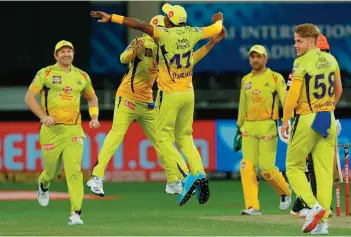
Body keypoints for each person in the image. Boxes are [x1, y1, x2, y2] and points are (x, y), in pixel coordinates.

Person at [90, 3, 224, 206]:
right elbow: (123, 58)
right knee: (120, 134)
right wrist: (134, 51)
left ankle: (175, 181)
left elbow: (144, 27)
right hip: (128, 97)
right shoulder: (144, 42)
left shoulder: (163, 43)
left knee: (163, 142)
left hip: (151, 101)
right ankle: (97, 177)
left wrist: (114, 18)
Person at [24, 40, 100, 225]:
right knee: (52, 170)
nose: (66, 54)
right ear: (56, 55)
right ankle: (44, 185)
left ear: (73, 53)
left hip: (74, 130)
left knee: (74, 171)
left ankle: (76, 214)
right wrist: (43, 116)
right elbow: (29, 98)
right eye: (62, 52)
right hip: (51, 131)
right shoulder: (46, 73)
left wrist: (94, 117)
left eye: (69, 51)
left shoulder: (82, 76)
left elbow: (92, 98)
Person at [281, 24, 341, 234]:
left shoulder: (301, 62)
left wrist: (285, 119)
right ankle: (322, 224)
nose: (295, 45)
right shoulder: (332, 60)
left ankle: (312, 206)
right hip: (328, 118)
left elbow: (292, 96)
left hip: (307, 117)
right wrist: (328, 108)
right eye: (295, 40)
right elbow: (339, 90)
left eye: (299, 41)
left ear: (312, 41)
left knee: (293, 166)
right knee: (324, 173)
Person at [234, 45, 292, 215]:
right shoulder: (246, 80)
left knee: (267, 169)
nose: (255, 60)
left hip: (268, 125)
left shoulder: (275, 78)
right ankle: (253, 206)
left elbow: (286, 102)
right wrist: (239, 127)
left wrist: (288, 121)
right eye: (252, 57)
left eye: (259, 57)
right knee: (246, 166)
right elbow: (242, 105)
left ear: (266, 58)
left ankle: (285, 191)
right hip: (249, 128)